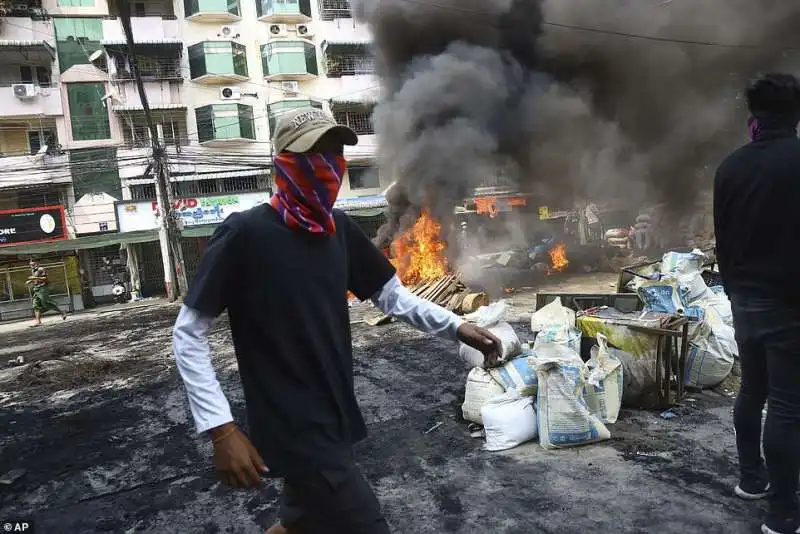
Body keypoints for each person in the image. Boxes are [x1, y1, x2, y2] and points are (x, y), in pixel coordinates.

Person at [172, 108, 502, 534]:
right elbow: (188, 334)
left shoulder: (336, 229)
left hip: (335, 414)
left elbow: (392, 297)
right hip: (294, 425)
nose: (328, 165)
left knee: (302, 522)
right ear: (283, 162)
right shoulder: (245, 235)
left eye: (335, 152)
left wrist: (457, 326)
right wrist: (220, 429)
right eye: (314, 153)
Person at [714, 73, 800, 534]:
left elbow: (722, 242)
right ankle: (784, 512)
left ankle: (751, 478)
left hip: (745, 301)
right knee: (788, 407)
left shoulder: (731, 166)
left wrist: (732, 291)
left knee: (753, 390)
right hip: (790, 306)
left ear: (754, 115)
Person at [26, 258, 67, 326]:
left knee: (46, 303)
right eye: (30, 263)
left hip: (43, 288)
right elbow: (35, 277)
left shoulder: (41, 269)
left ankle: (62, 312)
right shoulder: (34, 270)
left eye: (32, 262)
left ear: (37, 263)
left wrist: (34, 278)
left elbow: (46, 279)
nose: (31, 264)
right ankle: (38, 322)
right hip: (36, 289)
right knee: (36, 305)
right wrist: (30, 281)